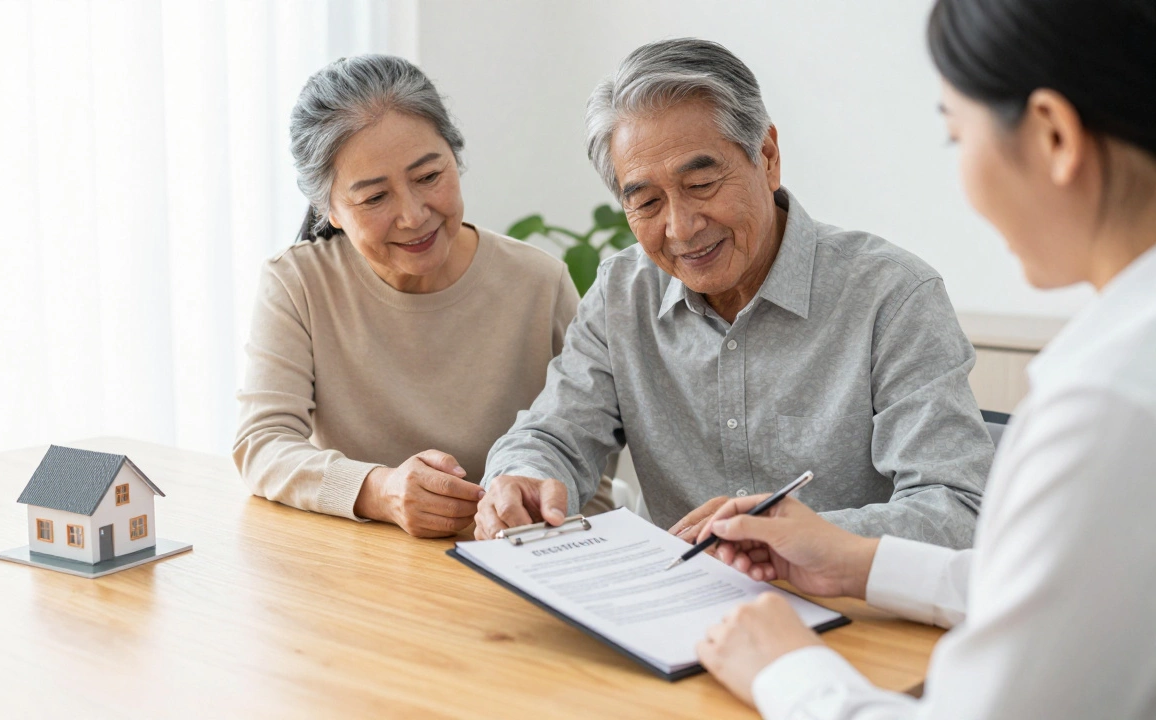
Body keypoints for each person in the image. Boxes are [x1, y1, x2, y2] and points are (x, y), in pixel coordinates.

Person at [693, 1, 1156, 717]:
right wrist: (860, 561)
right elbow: (1074, 591)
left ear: (1054, 135)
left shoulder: (1107, 403)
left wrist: (786, 671)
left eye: (956, 135)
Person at [475, 38, 991, 549]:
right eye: (647, 202)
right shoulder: (621, 294)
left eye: (701, 184)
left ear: (767, 157)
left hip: (843, 598)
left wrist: (800, 540)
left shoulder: (892, 296)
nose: (681, 228)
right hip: (673, 595)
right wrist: (520, 478)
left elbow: (958, 507)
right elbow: (554, 434)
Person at [233, 55, 611, 538]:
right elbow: (262, 443)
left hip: (509, 554)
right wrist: (380, 490)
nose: (413, 216)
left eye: (429, 177)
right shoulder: (299, 283)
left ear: (455, 157)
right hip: (364, 556)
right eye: (375, 198)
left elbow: (590, 471)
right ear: (329, 209)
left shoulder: (539, 282)